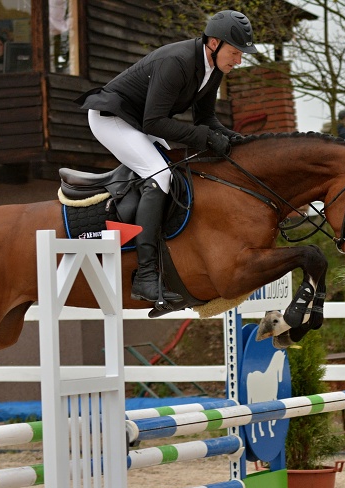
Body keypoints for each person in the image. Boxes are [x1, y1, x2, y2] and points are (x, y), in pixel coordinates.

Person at [76, 9, 257, 304]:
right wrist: (207, 138)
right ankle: (145, 277)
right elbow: (154, 122)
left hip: (137, 120)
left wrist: (239, 142)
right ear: (214, 43)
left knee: (172, 169)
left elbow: (206, 120)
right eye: (236, 53)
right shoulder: (178, 62)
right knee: (160, 176)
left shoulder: (213, 69)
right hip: (111, 118)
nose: (239, 60)